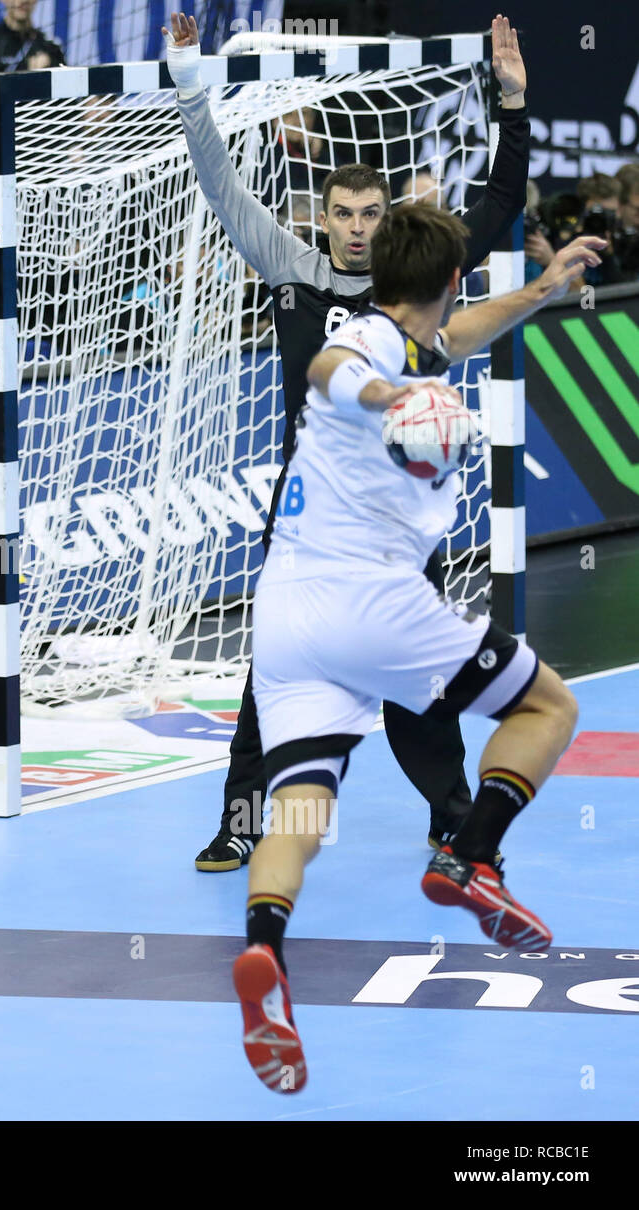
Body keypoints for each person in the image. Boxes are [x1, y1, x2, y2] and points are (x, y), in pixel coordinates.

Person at [231, 206, 599, 1092]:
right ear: (447, 278)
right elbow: (333, 369)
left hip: (283, 614)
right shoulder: (371, 349)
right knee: (550, 705)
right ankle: (470, 855)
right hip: (374, 602)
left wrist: (544, 290)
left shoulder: (411, 337)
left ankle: (264, 957)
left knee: (302, 810)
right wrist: (385, 398)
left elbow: (458, 332)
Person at [162, 12, 532, 873]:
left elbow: (502, 203)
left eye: (371, 212)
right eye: (343, 213)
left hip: (401, 518)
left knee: (419, 683)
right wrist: (189, 86)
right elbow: (219, 185)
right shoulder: (291, 267)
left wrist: (512, 107)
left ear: (386, 216)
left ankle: (453, 819)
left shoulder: (417, 278)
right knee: (271, 675)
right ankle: (240, 821)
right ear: (320, 216)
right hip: (307, 521)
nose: (358, 227)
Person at [0, 0, 65, 75]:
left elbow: (66, 93)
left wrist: (49, 69)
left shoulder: (51, 44)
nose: (24, 1)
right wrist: (26, 69)